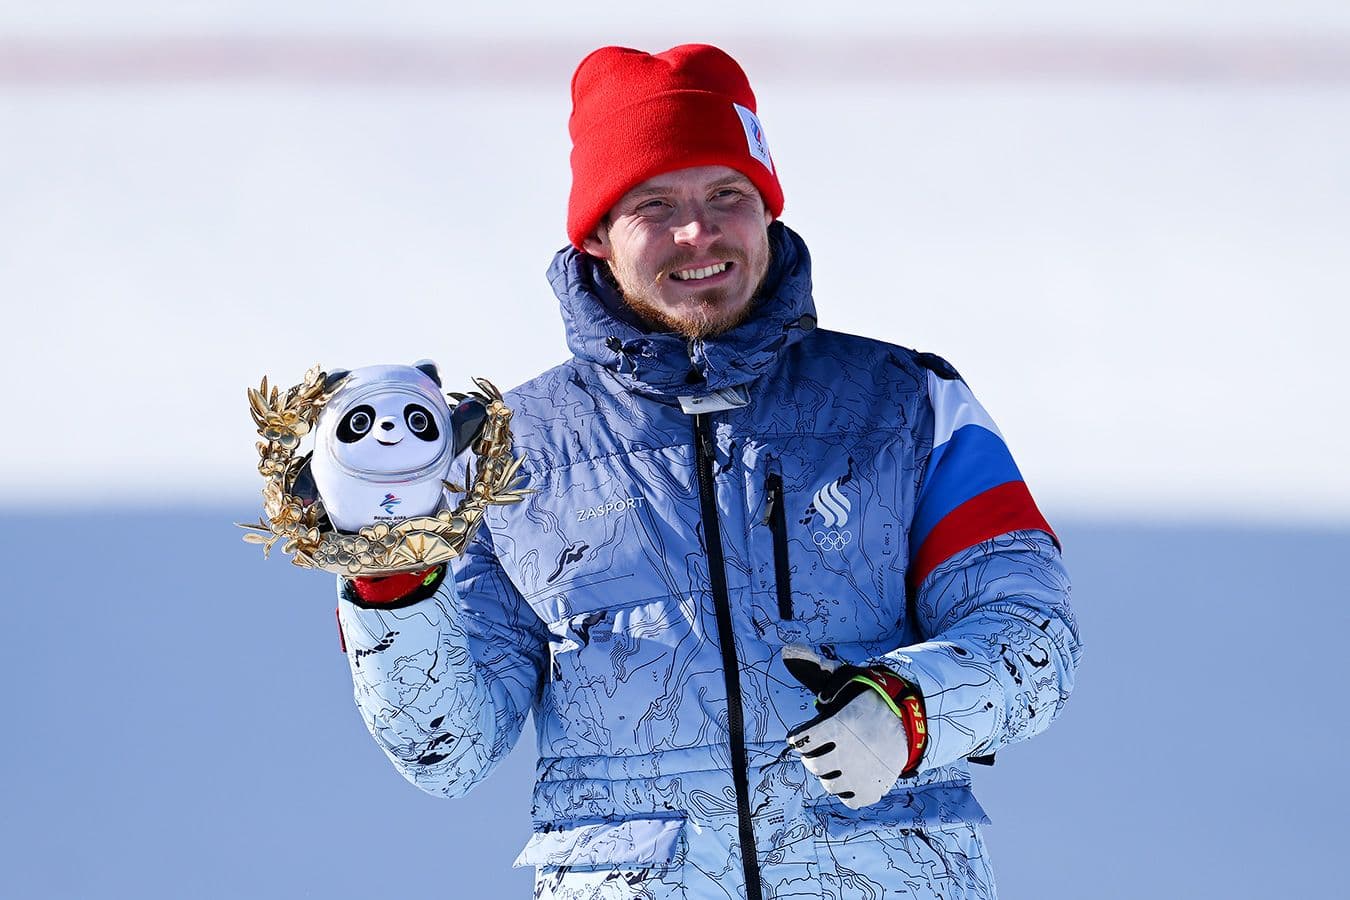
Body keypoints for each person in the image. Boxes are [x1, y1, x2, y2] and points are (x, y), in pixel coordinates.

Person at [334, 43, 1081, 899]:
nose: (699, 232)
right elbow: (448, 752)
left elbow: (1032, 631)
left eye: (727, 194)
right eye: (655, 204)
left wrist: (912, 709)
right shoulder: (509, 450)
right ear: (598, 237)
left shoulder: (907, 403)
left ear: (766, 209)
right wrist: (390, 581)